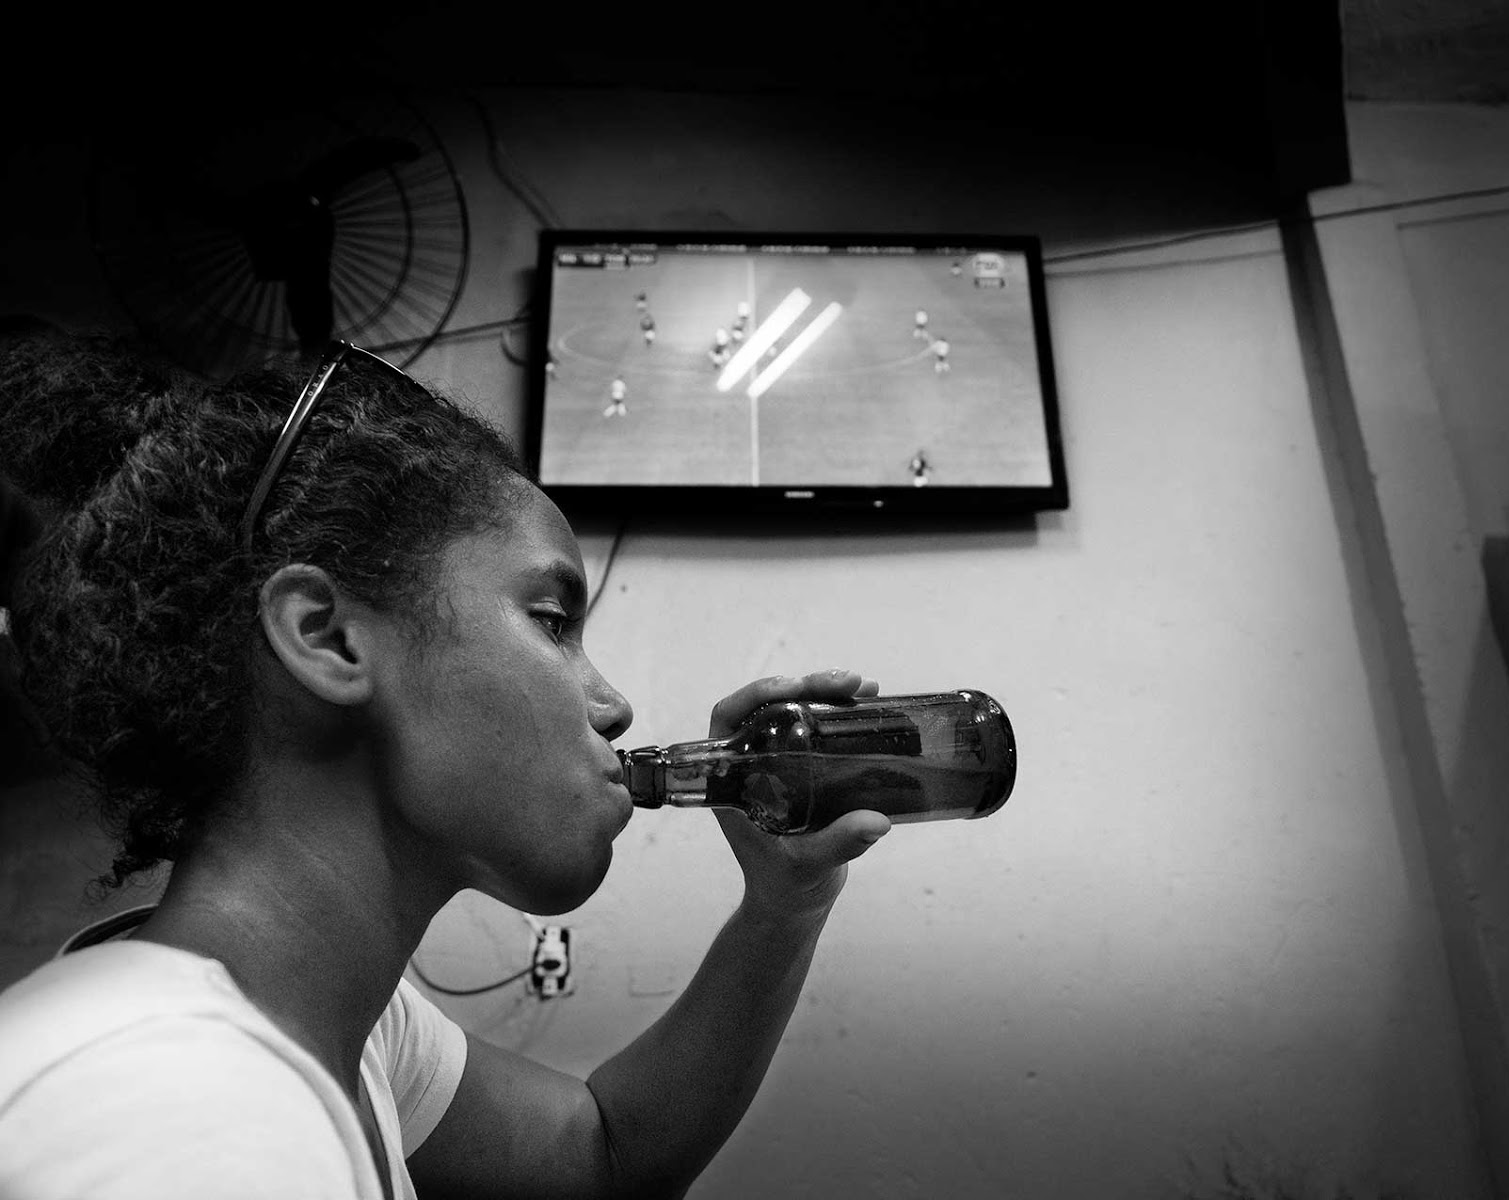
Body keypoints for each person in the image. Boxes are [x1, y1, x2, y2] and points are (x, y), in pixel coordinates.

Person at [0, 329, 891, 1199]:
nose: (614, 706)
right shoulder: (172, 1117)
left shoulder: (339, 1022)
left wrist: (786, 903)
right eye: (551, 621)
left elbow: (603, 1155)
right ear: (329, 638)